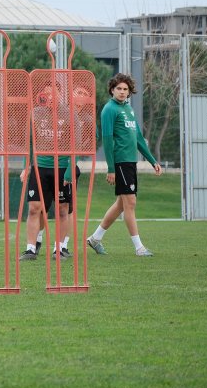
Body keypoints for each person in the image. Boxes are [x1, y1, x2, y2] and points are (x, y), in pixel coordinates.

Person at [87, 73, 162, 257]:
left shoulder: (128, 109)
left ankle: (95, 238)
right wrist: (111, 168)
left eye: (125, 89)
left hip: (130, 162)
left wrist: (152, 161)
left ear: (129, 92)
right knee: (130, 202)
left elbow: (137, 138)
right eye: (118, 88)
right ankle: (139, 248)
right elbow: (107, 139)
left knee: (122, 204)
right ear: (112, 90)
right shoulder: (109, 110)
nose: (122, 92)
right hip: (119, 162)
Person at [19, 83, 76, 262]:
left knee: (62, 209)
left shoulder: (70, 114)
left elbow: (76, 146)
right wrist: (26, 166)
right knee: (34, 208)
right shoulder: (35, 113)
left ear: (61, 94)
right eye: (46, 92)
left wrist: (69, 171)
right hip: (39, 167)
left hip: (61, 167)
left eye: (53, 93)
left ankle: (59, 249)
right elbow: (29, 143)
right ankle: (30, 249)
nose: (50, 96)